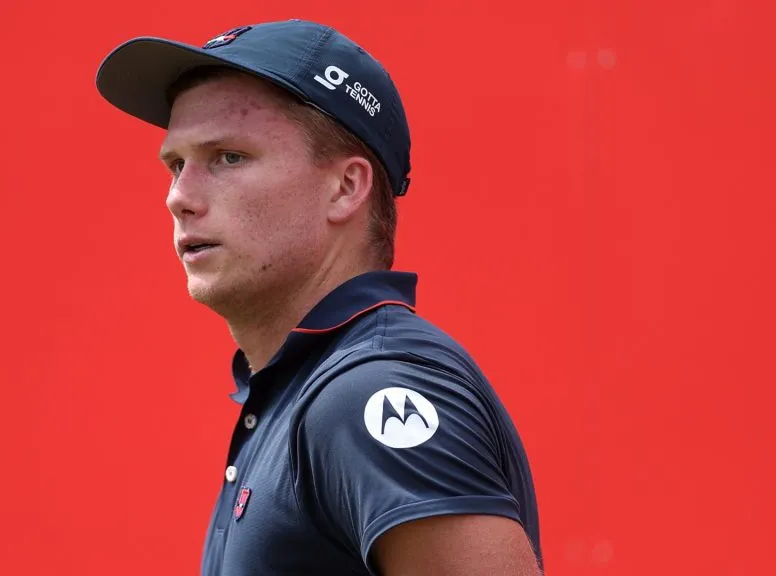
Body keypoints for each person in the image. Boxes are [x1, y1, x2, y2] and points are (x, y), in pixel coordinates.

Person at [96, 19, 543, 576]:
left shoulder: (368, 392)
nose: (179, 197)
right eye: (176, 164)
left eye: (228, 157)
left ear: (345, 188)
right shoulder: (303, 391)